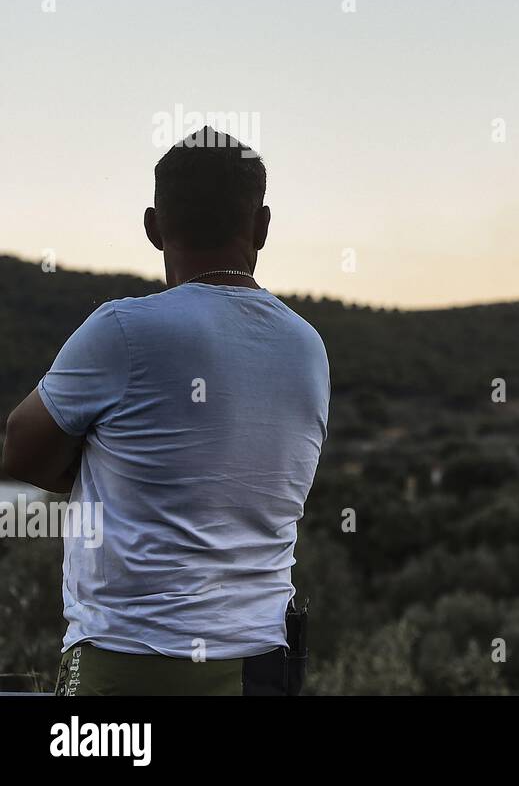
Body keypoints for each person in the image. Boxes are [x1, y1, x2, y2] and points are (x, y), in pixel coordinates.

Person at [1, 126, 329, 695]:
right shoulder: (308, 348)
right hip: (262, 664)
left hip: (127, 658)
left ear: (153, 227)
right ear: (262, 226)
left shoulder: (123, 330)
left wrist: (104, 469)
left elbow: (20, 452)